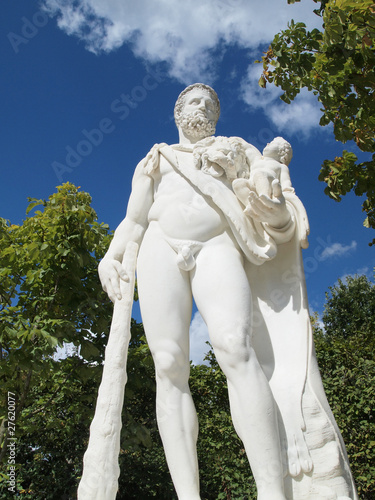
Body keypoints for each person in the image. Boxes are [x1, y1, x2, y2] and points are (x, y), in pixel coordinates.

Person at [98, 84, 357, 500]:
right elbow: (134, 219)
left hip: (217, 243)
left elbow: (270, 184)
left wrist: (268, 179)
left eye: (210, 104)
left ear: (216, 116)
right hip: (159, 248)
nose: (202, 107)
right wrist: (109, 256)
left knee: (236, 347)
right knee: (167, 365)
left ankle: (272, 492)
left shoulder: (236, 147)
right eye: (193, 102)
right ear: (178, 112)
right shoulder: (155, 157)